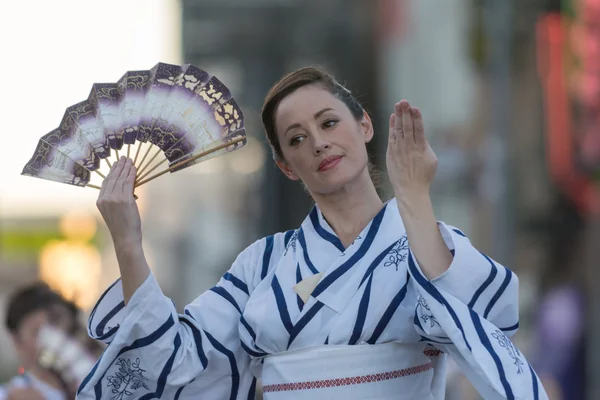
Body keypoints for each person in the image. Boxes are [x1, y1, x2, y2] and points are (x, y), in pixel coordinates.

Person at [77, 67, 548, 399]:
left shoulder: (426, 239)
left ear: (363, 125)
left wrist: (415, 198)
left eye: (328, 122)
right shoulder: (261, 263)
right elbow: (175, 363)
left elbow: (488, 319)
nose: (319, 142)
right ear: (285, 165)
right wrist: (127, 245)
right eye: (297, 138)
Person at [1, 282, 102, 400]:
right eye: (36, 331)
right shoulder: (9, 395)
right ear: (17, 341)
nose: (50, 340)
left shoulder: (98, 387)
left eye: (56, 329)